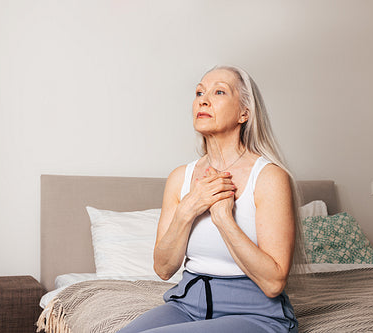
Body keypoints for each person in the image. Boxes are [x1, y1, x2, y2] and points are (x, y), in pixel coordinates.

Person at [118, 66, 302, 333]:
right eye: (199, 92)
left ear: (244, 113)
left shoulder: (269, 178)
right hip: (187, 305)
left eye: (219, 92)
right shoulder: (180, 177)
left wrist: (223, 218)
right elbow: (163, 268)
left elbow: (273, 283)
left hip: (255, 314)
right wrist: (189, 208)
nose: (203, 100)